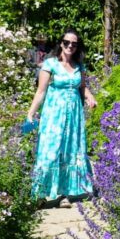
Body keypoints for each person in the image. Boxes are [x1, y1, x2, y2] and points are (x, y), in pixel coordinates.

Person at [25, 29, 98, 206]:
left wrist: (89, 96)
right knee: (50, 150)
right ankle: (40, 194)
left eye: (74, 44)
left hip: (74, 116)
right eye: (67, 42)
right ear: (61, 43)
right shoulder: (50, 64)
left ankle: (65, 194)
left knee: (70, 151)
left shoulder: (79, 66)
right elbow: (41, 91)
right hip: (53, 114)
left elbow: (80, 87)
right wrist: (31, 112)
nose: (70, 46)